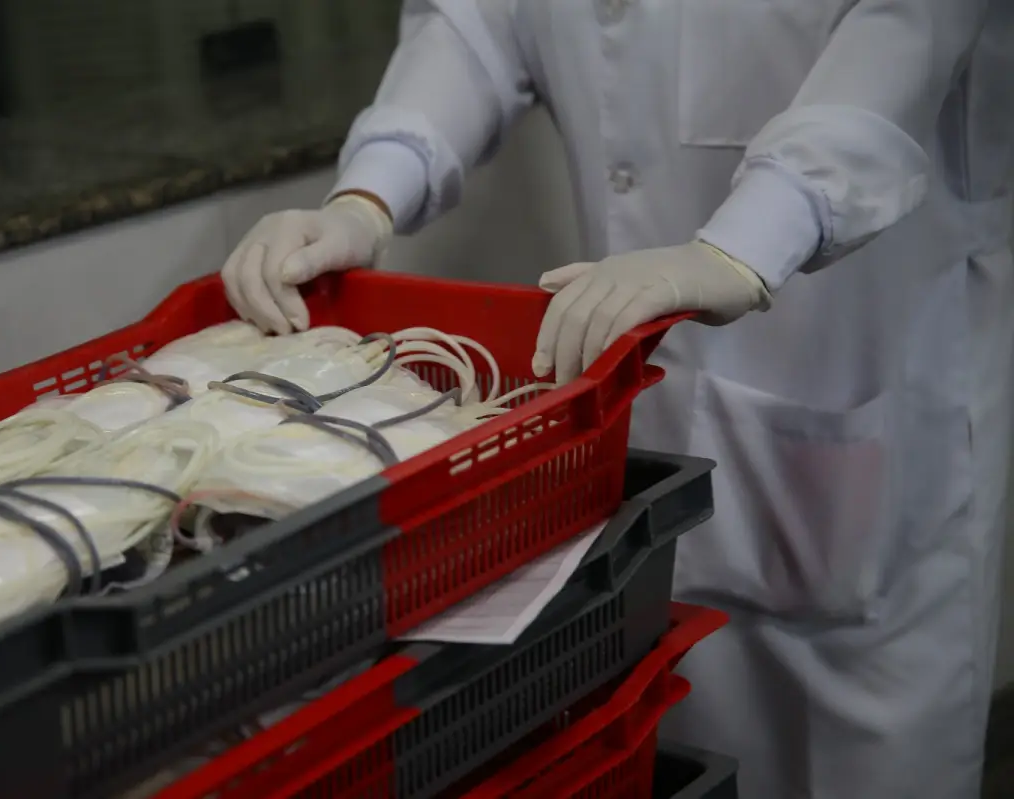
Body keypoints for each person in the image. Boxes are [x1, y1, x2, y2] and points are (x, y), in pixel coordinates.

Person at [219, 2, 1014, 796]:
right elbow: (477, 25)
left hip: (866, 365)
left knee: (865, 757)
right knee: (681, 724)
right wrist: (368, 195)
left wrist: (740, 247)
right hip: (653, 399)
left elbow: (902, 38)